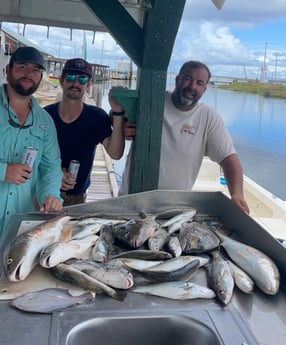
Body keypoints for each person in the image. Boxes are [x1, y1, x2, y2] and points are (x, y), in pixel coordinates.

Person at [120, 60, 250, 213]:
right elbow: (115, 115)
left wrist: (237, 194)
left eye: (199, 83)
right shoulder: (152, 101)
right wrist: (123, 124)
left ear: (204, 89)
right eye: (188, 78)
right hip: (132, 201)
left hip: (173, 208)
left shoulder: (208, 117)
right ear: (177, 80)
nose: (192, 86)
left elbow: (229, 159)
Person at [0, 46, 63, 239]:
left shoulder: (45, 121)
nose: (29, 74)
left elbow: (51, 167)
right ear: (8, 70)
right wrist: (3, 171)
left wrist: (51, 196)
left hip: (20, 224)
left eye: (36, 70)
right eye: (22, 67)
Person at [45, 58, 126, 206]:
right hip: (43, 191)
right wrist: (56, 173)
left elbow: (115, 153)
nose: (75, 83)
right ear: (62, 80)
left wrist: (118, 112)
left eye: (82, 79)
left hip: (76, 198)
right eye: (70, 78)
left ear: (88, 85)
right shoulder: (45, 116)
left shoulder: (97, 117)